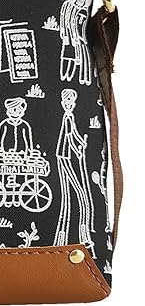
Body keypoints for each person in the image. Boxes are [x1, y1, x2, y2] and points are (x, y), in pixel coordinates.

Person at [54, 89, 95, 255]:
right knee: (80, 194)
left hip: (62, 156)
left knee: (67, 197)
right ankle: (82, 237)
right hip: (65, 156)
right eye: (67, 102)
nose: (69, 104)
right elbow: (71, 136)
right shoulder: (68, 117)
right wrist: (79, 146)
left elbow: (71, 135)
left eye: (71, 102)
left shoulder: (68, 116)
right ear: (63, 103)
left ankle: (63, 239)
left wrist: (79, 146)